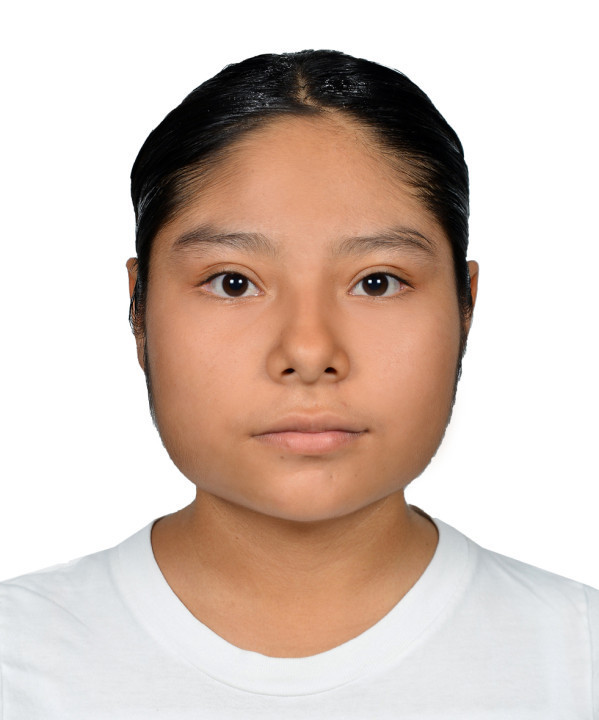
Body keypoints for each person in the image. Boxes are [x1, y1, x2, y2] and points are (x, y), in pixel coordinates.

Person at [0, 49, 596, 718]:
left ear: (466, 308)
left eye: (377, 282)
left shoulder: (577, 658)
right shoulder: (18, 659)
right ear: (138, 310)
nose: (309, 353)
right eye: (233, 283)